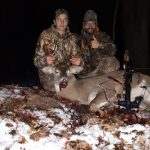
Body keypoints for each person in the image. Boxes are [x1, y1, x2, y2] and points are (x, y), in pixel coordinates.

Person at [34, 9, 83, 91]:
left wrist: (80, 62)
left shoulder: (73, 38)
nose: (62, 22)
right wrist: (44, 60)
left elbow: (79, 60)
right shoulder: (45, 35)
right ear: (54, 21)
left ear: (68, 22)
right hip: (51, 72)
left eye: (65, 20)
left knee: (75, 89)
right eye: (59, 19)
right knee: (58, 90)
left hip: (66, 71)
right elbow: (36, 61)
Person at [78, 9, 120, 78]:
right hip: (85, 74)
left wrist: (99, 45)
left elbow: (113, 49)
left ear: (96, 25)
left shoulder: (102, 36)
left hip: (101, 72)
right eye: (87, 24)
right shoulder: (78, 39)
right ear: (83, 26)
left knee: (112, 61)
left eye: (92, 23)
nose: (90, 26)